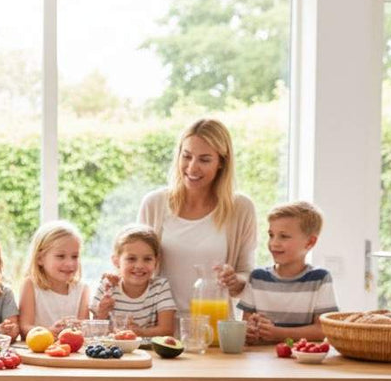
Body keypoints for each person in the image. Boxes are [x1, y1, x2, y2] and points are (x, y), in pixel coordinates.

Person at [138, 118, 257, 314]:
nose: (192, 167)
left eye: (204, 159)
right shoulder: (154, 204)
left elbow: (247, 274)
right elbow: (135, 264)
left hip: (215, 328)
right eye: (187, 156)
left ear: (221, 162)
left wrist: (235, 280)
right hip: (161, 330)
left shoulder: (240, 208)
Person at [238, 201, 339, 343]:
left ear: (310, 243)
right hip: (261, 361)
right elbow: (245, 325)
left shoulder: (320, 279)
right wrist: (251, 330)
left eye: (283, 236)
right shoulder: (257, 278)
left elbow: (323, 330)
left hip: (302, 361)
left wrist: (279, 333)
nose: (274, 243)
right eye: (271, 235)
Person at [90, 224, 176, 337]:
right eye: (131, 259)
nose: (139, 265)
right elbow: (93, 331)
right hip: (114, 351)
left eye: (147, 259)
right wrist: (101, 313)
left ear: (156, 261)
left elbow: (167, 329)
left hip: (149, 352)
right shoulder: (108, 286)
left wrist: (140, 333)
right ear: (116, 261)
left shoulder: (160, 287)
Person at [18, 220, 90, 337]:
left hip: (71, 353)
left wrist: (79, 328)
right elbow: (24, 327)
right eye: (61, 256)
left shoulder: (82, 289)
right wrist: (48, 332)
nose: (69, 263)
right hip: (38, 352)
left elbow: (84, 329)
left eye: (74, 256)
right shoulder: (30, 285)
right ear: (40, 258)